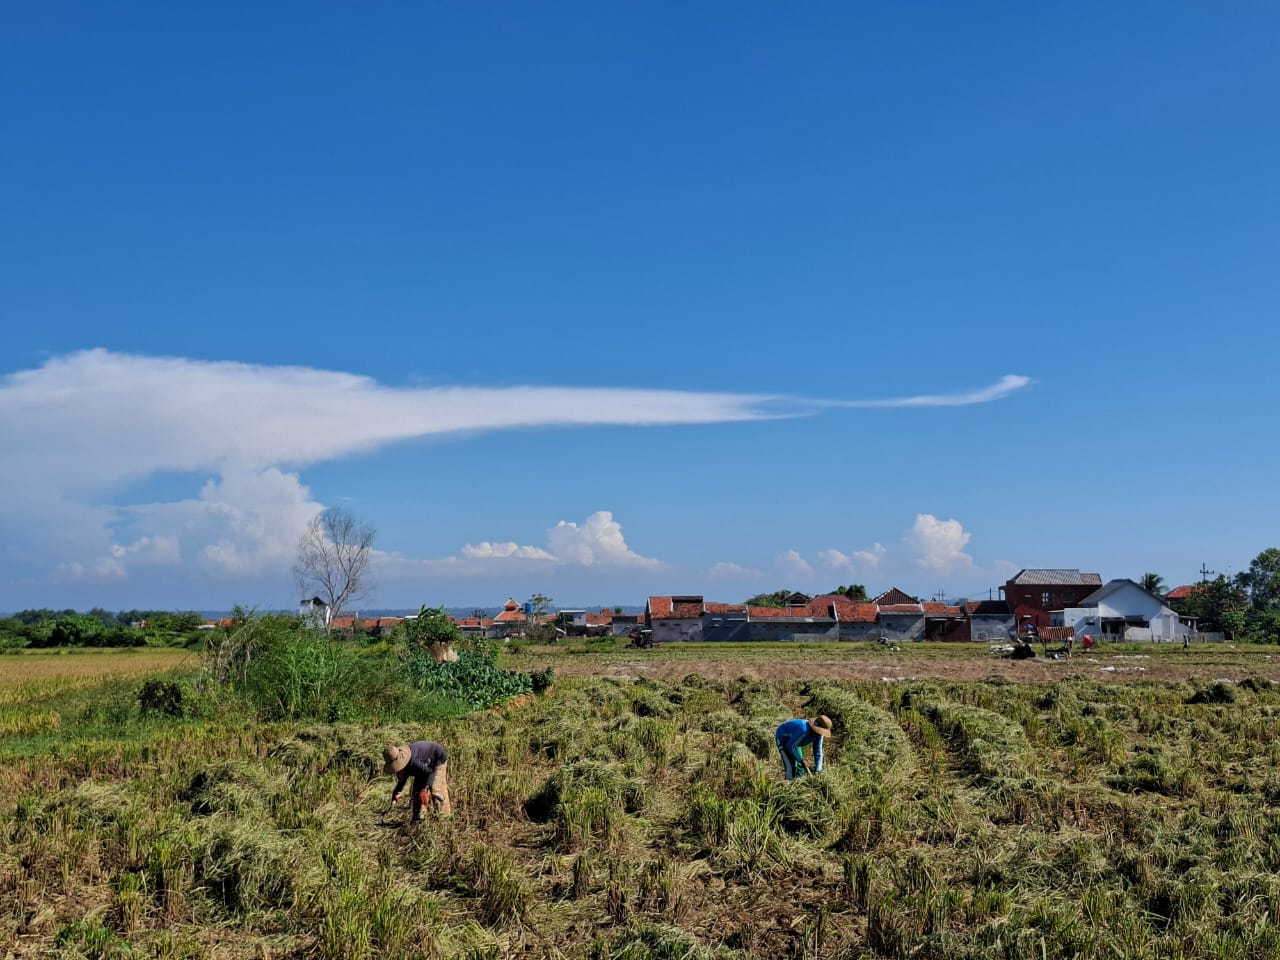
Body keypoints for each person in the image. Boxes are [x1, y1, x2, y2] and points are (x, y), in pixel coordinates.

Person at [383, 741, 452, 820]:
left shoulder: (413, 762)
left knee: (435, 789)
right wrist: (396, 792)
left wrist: (425, 789)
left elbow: (430, 773)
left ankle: (444, 817)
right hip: (424, 766)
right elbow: (402, 780)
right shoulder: (403, 766)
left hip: (437, 759)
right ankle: (419, 818)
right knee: (417, 792)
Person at [774, 715, 833, 780]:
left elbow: (818, 752)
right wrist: (801, 760)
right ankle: (788, 783)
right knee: (791, 766)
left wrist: (818, 770)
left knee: (800, 768)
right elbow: (790, 746)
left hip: (794, 742)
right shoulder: (803, 730)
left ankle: (797, 782)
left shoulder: (819, 735)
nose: (819, 734)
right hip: (783, 738)